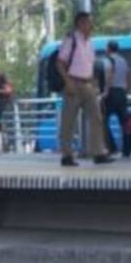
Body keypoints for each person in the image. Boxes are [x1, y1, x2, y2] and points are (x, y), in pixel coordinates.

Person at [56, 12, 113, 166]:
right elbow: (60, 62)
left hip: (88, 84)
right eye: (88, 22)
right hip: (73, 83)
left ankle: (98, 152)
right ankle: (67, 155)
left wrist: (94, 83)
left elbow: (90, 64)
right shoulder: (71, 39)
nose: (91, 26)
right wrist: (67, 82)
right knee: (69, 121)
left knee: (96, 118)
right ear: (80, 23)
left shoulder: (90, 43)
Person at [101, 40, 131, 157]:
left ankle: (111, 146)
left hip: (111, 92)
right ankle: (126, 149)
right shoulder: (123, 61)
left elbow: (108, 76)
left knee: (103, 121)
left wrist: (105, 91)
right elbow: (129, 76)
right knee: (125, 123)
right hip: (122, 93)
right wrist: (126, 90)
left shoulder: (107, 60)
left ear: (108, 49)